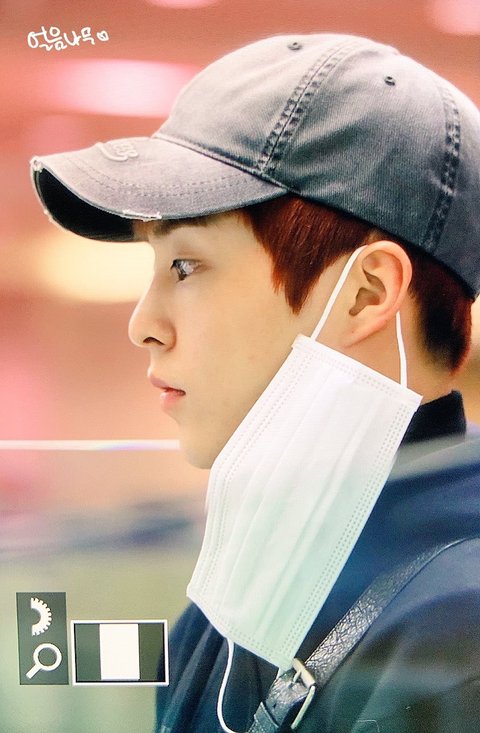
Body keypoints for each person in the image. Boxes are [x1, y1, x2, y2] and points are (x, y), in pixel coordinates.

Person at [30, 33, 480, 733]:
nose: (143, 325)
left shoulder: (450, 644)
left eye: (185, 266)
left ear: (365, 293)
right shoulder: (233, 605)